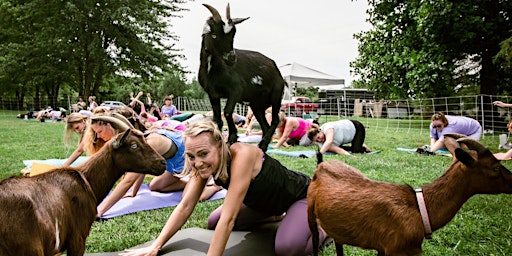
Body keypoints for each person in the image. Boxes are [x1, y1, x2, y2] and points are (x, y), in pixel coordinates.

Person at [120, 119, 327, 256]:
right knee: (213, 221)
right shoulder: (202, 166)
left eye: (203, 154)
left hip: (301, 196)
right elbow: (185, 206)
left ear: (220, 146)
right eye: (191, 156)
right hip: (266, 205)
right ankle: (278, 216)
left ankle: (325, 228)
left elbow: (229, 219)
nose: (197, 162)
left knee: (288, 248)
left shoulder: (242, 155)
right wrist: (155, 246)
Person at [82, 111, 220, 217]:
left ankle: (215, 186)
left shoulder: (150, 142)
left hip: (192, 163)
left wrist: (100, 210)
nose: (99, 136)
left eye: (99, 132)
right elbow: (142, 166)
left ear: (109, 126)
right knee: (155, 186)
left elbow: (128, 181)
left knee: (192, 197)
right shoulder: (139, 141)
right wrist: (133, 193)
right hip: (175, 167)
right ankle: (190, 185)